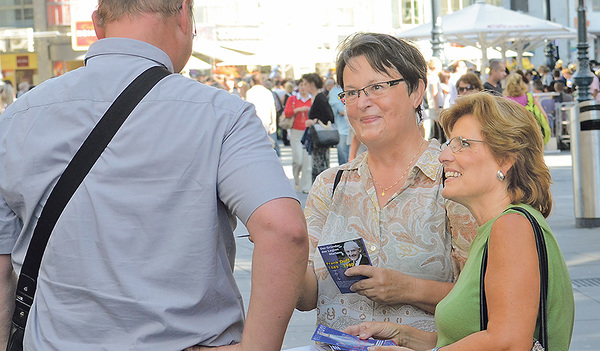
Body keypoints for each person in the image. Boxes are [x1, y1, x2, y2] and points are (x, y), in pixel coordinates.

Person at [0, 0, 308, 349]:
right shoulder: (221, 115)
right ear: (182, 13)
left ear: (98, 24)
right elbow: (285, 230)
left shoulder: (15, 119)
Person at [344, 92, 575, 351]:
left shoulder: (512, 228)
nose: (444, 156)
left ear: (506, 159)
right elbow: (467, 341)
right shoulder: (493, 231)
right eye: (448, 144)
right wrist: (402, 336)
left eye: (463, 144)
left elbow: (508, 342)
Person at [296, 32, 477, 333]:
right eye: (351, 92)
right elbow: (308, 297)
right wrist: (282, 252)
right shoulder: (331, 185)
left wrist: (408, 289)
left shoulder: (453, 179)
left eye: (377, 87)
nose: (362, 102)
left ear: (416, 91)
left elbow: (485, 299)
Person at [303, 73, 335, 181]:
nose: (304, 86)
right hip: (316, 138)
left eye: (306, 84)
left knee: (320, 166)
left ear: (312, 84)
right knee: (317, 166)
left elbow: (329, 116)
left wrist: (314, 121)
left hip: (321, 137)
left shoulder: (320, 97)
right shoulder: (316, 97)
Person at [504, 73, 551, 144]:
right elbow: (544, 115)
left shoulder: (506, 101)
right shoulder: (530, 97)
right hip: (532, 134)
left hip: (515, 137)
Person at [284, 78, 312, 193]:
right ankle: (296, 180)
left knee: (307, 162)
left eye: (306, 84)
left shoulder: (312, 98)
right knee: (298, 160)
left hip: (308, 132)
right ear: (298, 86)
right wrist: (299, 109)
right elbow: (286, 112)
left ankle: (306, 186)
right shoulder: (293, 98)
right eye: (301, 84)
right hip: (296, 132)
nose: (303, 87)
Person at [245, 72, 279, 156]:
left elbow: (248, 108)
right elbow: (272, 107)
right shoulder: (267, 92)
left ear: (252, 81)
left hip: (254, 121)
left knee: (256, 145)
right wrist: (273, 123)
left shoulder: (250, 92)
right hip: (266, 120)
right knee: (266, 143)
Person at [326, 78, 350, 165]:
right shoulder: (335, 92)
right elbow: (340, 110)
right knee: (344, 161)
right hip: (343, 130)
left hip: (356, 131)